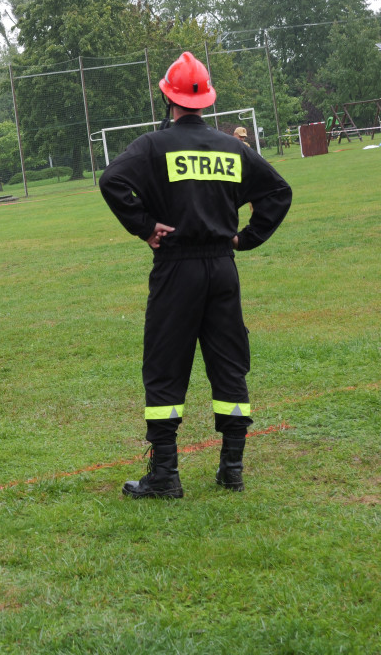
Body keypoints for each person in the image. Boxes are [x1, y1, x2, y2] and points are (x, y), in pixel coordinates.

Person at [98, 52, 292, 499]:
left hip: (176, 267)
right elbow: (278, 191)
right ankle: (233, 469)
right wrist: (248, 237)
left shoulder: (152, 145)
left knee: (165, 364)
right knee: (228, 362)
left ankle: (165, 475)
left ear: (168, 97)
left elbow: (112, 180)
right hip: (223, 267)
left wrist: (145, 226)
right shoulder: (232, 146)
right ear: (205, 98)